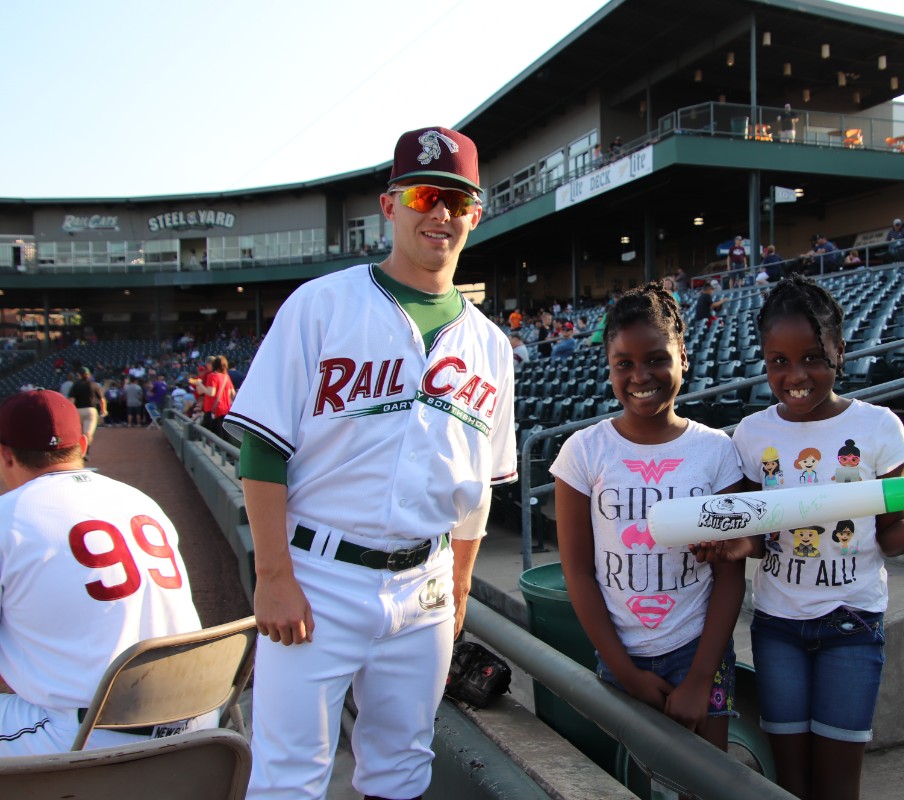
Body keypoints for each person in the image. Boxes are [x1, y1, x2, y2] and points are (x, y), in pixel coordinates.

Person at [224, 125, 516, 800]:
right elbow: (262, 449)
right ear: (390, 205)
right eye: (422, 194)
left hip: (425, 584)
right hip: (317, 574)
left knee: (402, 768)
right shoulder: (322, 305)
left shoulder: (492, 346)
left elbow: (476, 487)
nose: (439, 213)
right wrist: (273, 577)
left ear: (473, 214)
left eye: (456, 199)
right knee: (289, 776)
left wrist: (461, 588)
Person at [695, 276, 904, 800]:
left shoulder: (879, 429)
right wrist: (740, 544)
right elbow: (762, 535)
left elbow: (888, 536)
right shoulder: (753, 435)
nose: (796, 375)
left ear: (840, 351)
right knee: (792, 780)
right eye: (778, 361)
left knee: (837, 782)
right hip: (778, 627)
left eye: (812, 357)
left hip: (853, 626)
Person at [551, 283, 745, 753]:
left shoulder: (717, 451)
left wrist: (700, 677)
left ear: (683, 356)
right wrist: (626, 673)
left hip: (700, 651)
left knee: (707, 779)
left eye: (657, 358)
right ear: (610, 368)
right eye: (625, 364)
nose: (642, 376)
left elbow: (731, 576)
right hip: (620, 656)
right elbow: (578, 571)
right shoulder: (583, 452)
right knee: (633, 780)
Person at [0, 390, 204, 755]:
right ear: (81, 443)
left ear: (5, 453)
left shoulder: (8, 516)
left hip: (88, 737)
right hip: (200, 724)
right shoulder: (140, 500)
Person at [195, 355, 235, 442]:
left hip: (213, 409)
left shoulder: (212, 376)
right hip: (225, 408)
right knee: (223, 434)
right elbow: (232, 393)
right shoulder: (226, 376)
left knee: (207, 432)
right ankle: (228, 453)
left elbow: (211, 392)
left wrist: (199, 384)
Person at [68, 367, 106, 449]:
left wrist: (69, 411)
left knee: (80, 433)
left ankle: (81, 450)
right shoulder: (94, 384)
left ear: (79, 375)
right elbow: (101, 399)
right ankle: (86, 450)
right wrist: (103, 410)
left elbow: (71, 400)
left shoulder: (76, 385)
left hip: (78, 411)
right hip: (90, 410)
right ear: (88, 375)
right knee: (88, 432)